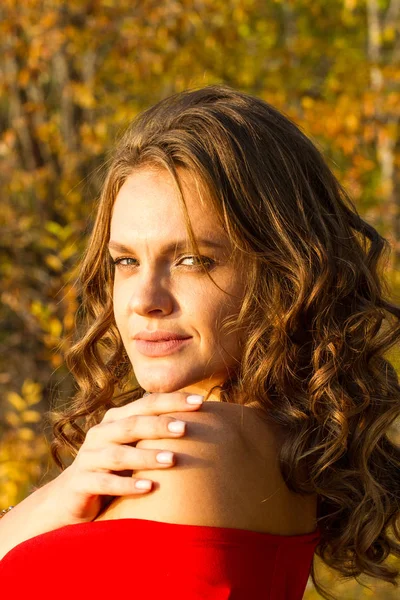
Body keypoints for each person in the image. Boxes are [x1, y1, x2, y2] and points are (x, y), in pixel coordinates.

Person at [0, 84, 399, 600]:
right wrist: (59, 495)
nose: (145, 299)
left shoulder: (188, 448)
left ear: (283, 271)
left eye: (193, 260)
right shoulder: (266, 441)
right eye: (127, 261)